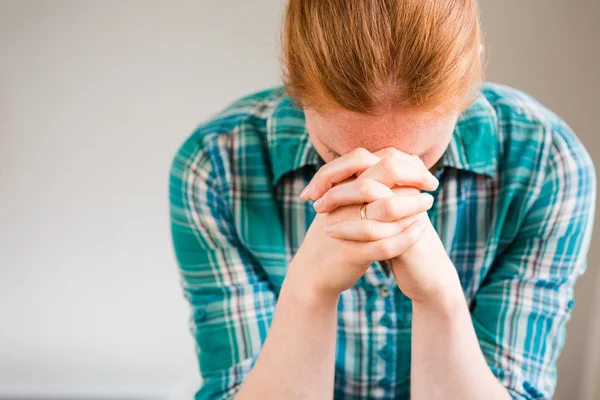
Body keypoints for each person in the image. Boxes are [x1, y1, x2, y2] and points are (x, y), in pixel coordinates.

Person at [169, 1, 595, 398]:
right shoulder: (215, 168)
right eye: (340, 155)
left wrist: (439, 298)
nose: (380, 184)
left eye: (420, 156)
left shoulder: (546, 164)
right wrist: (308, 294)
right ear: (293, 82)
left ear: (471, 75)